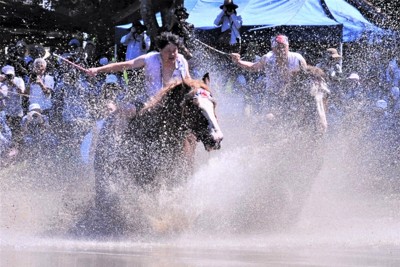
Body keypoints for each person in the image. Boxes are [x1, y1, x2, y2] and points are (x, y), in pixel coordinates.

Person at [88, 32, 191, 107]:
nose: (172, 54)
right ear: (160, 50)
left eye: (175, 50)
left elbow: (189, 81)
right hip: (150, 104)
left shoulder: (181, 61)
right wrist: (97, 69)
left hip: (176, 106)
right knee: (125, 110)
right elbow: (124, 65)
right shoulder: (150, 59)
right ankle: (118, 137)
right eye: (168, 51)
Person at [231, 34, 307, 113]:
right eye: (278, 47)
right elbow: (253, 67)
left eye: (283, 47)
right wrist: (238, 62)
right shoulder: (268, 58)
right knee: (269, 118)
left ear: (288, 47)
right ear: (273, 49)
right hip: (273, 95)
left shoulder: (298, 59)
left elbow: (306, 76)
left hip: (292, 96)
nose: (281, 50)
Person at [0, 65, 26, 154]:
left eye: (11, 75)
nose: (9, 77)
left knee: (17, 132)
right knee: (8, 133)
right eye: (7, 75)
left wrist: (12, 83)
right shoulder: (1, 83)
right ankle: (8, 152)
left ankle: (19, 151)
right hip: (5, 112)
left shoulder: (19, 80)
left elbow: (22, 92)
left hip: (17, 112)